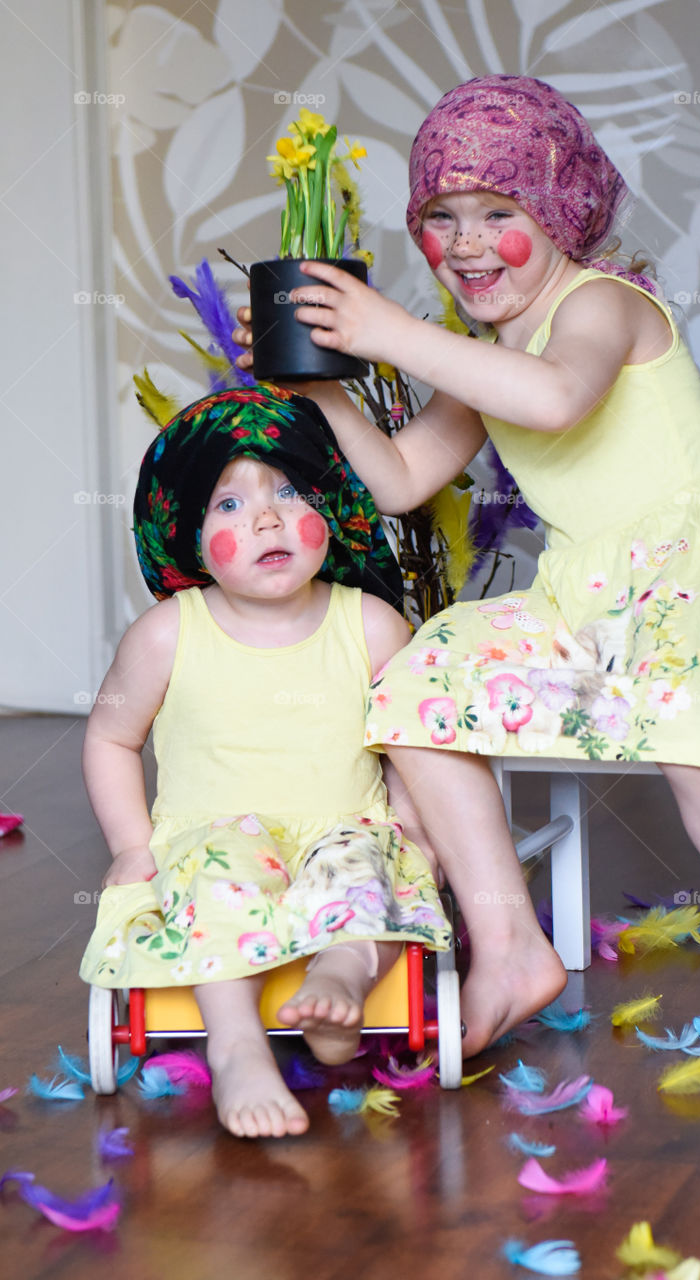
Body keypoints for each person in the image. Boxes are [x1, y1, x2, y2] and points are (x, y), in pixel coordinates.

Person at [233, 73, 700, 1081]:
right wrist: (321, 390)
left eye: (498, 214)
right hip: (579, 597)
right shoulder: (484, 352)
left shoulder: (602, 304)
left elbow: (556, 399)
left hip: (688, 571)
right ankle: (511, 938)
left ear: (559, 213)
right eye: (441, 218)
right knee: (417, 686)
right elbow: (400, 479)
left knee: (688, 710)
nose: (468, 243)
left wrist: (384, 331)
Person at [79, 385, 452, 1139]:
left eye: (289, 491)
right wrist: (130, 845)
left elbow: (418, 744)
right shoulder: (166, 635)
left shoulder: (373, 624)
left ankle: (341, 976)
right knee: (217, 879)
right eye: (228, 506)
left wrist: (414, 827)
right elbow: (110, 739)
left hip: (342, 825)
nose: (267, 517)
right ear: (183, 532)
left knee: (362, 869)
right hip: (214, 831)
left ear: (332, 508)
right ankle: (238, 1045)